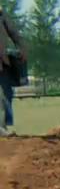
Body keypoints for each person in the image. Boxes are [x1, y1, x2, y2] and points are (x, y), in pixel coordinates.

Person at [0, 9, 27, 137]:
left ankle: (2, 127)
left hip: (2, 62)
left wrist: (22, 48)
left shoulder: (1, 14)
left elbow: (14, 33)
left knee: (7, 94)